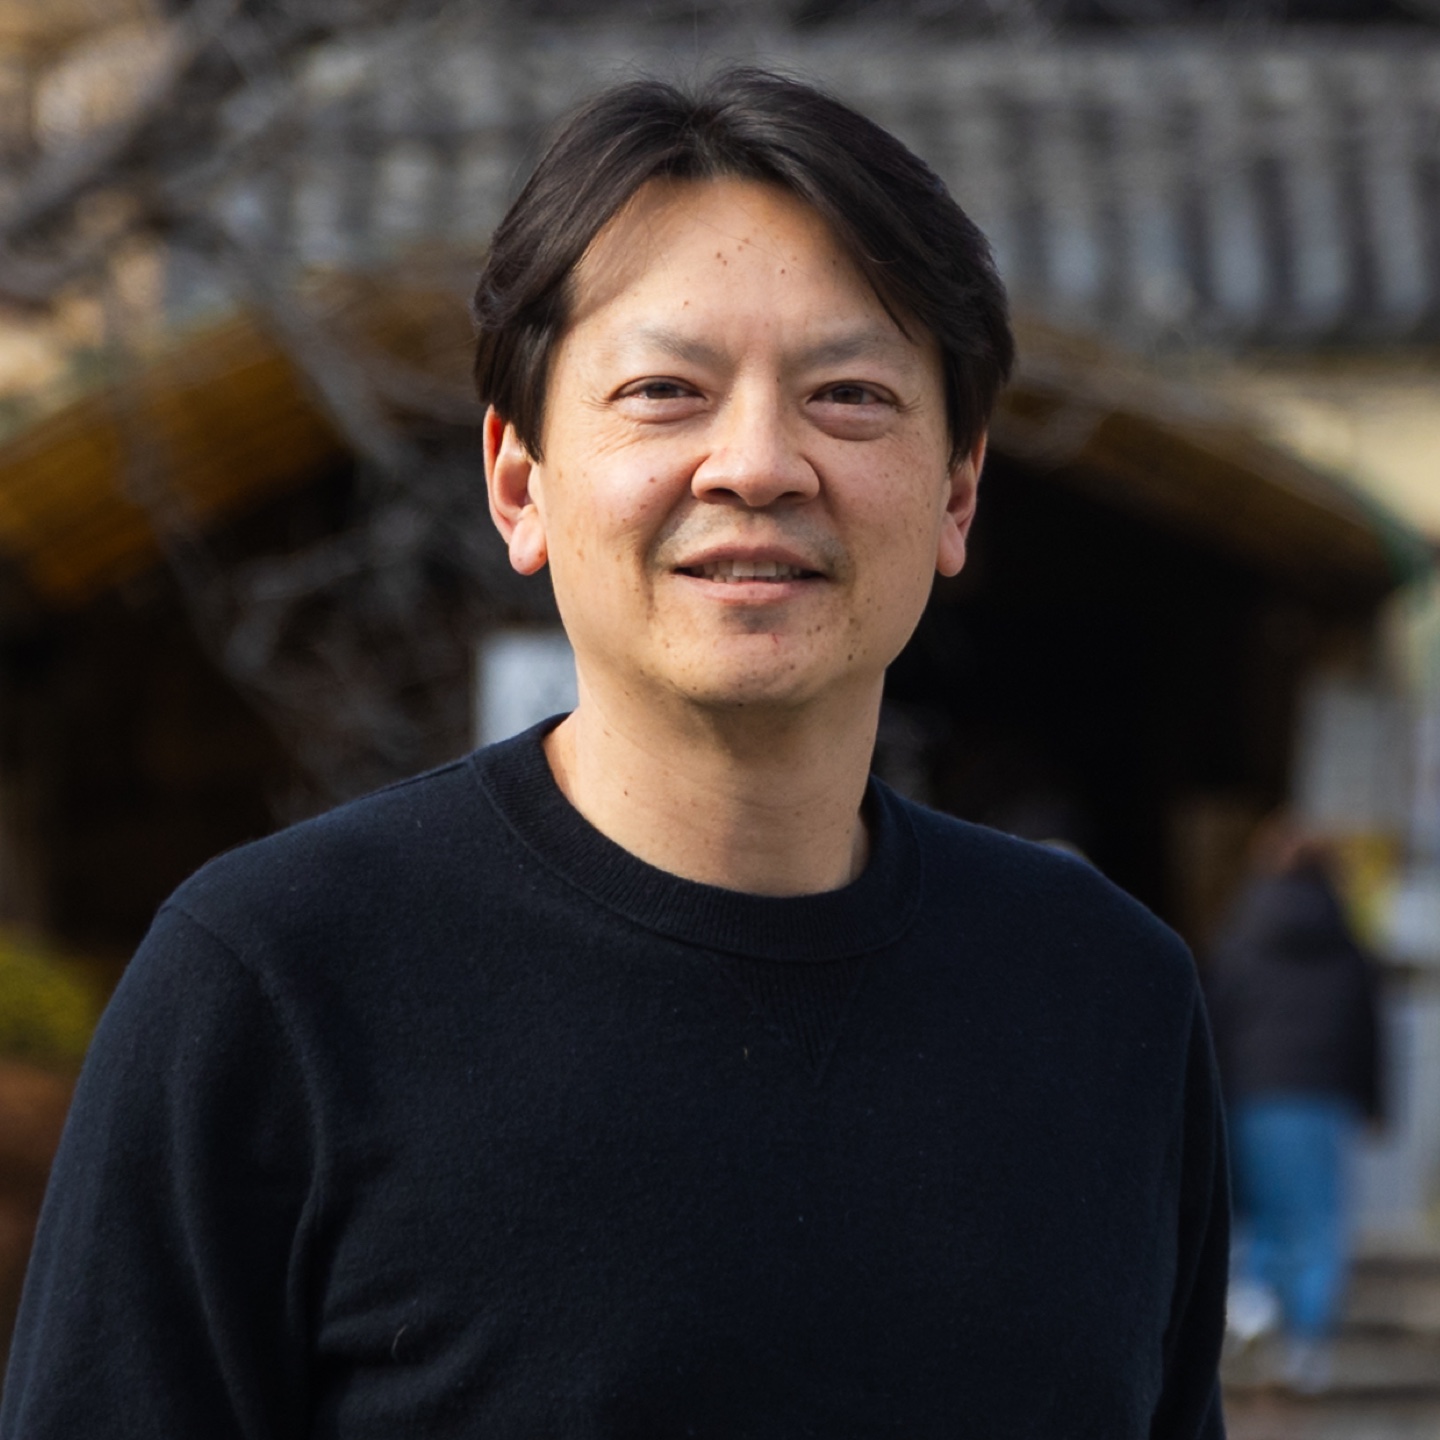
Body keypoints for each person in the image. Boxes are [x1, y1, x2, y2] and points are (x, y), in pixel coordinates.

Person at [0, 69, 1228, 1437]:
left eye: (851, 395)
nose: (757, 463)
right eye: (665, 389)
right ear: (519, 484)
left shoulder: (1104, 996)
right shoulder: (278, 980)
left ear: (956, 491)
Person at [1206, 819, 1384, 1392]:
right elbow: (1368, 1032)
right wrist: (1376, 1102)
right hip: (1323, 1096)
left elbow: (1217, 1022)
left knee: (1255, 1211)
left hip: (1252, 1091)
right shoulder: (1349, 944)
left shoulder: (1238, 937)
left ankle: (1256, 1307)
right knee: (1318, 1220)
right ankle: (1307, 1347)